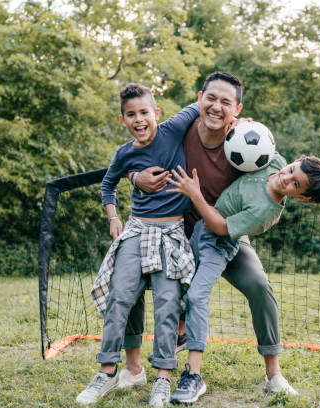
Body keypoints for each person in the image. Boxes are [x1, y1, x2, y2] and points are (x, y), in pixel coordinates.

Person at [167, 152, 320, 403]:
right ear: (293, 161)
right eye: (291, 170)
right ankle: (180, 334)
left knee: (258, 286)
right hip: (201, 234)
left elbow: (222, 228)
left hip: (225, 237)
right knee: (183, 288)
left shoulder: (266, 213)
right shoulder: (274, 161)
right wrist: (240, 123)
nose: (286, 178)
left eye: (295, 184)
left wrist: (195, 195)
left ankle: (273, 376)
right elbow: (255, 141)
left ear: (301, 196)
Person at [76, 83, 200, 407]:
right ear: (123, 120)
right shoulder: (124, 153)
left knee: (167, 303)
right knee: (120, 296)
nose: (139, 119)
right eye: (131, 115)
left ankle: (162, 378)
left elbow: (203, 105)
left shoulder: (172, 130)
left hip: (171, 233)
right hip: (135, 230)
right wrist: (113, 217)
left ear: (156, 113)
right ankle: (106, 372)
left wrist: (238, 121)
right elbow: (107, 184)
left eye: (144, 112)